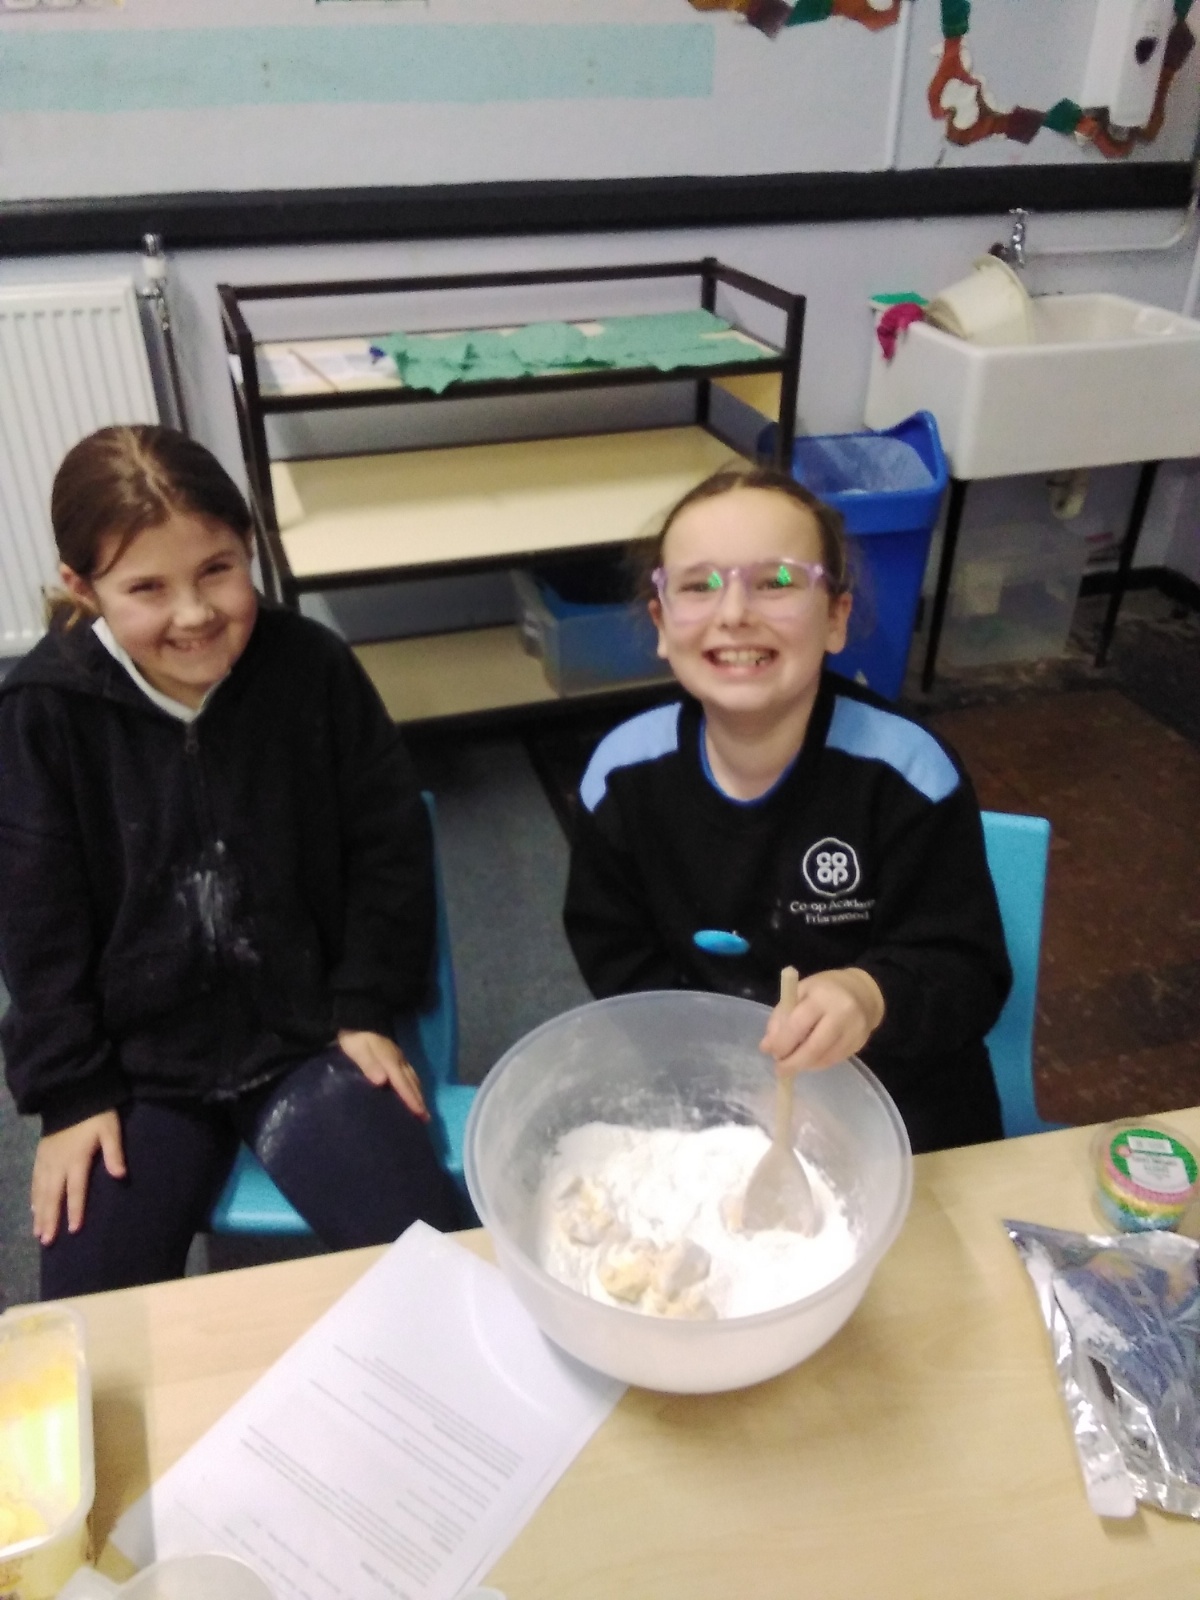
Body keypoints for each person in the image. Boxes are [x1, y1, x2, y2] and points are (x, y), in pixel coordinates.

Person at [0, 425, 461, 1298]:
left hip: (311, 1039)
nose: (194, 613)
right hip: (137, 1075)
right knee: (88, 1323)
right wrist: (71, 1091)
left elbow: (390, 847)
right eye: (147, 588)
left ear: (248, 547)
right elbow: (34, 921)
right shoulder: (41, 715)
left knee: (442, 1276)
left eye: (217, 569)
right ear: (83, 589)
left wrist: (365, 1004)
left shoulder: (313, 669)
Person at [563, 464, 1011, 1154]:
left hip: (902, 1096)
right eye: (698, 585)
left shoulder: (907, 776)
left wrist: (868, 995)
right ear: (661, 623)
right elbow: (616, 956)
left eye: (776, 581)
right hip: (711, 1092)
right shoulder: (620, 779)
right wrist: (716, 1066)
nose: (734, 613)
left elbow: (967, 971)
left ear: (836, 617)